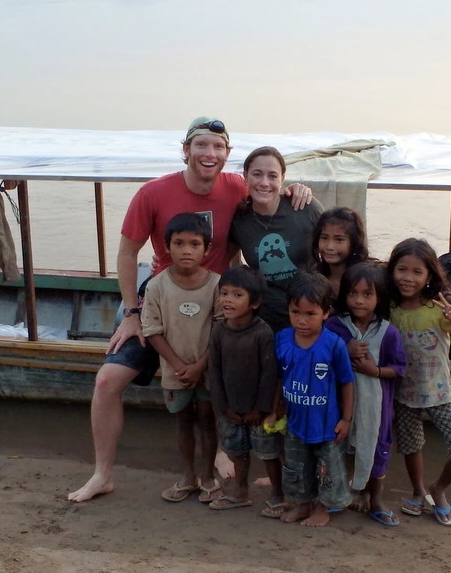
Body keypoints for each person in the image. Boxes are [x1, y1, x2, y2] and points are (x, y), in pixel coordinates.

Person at [68, 117, 311, 503]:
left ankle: (222, 452)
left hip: (219, 305)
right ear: (186, 150)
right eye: (201, 145)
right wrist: (131, 312)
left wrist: (298, 188)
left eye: (217, 147)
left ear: (227, 155)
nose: (209, 154)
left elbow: (269, 192)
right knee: (106, 382)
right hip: (160, 302)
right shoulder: (153, 193)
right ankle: (102, 474)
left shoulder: (236, 187)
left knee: (229, 376)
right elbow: (128, 254)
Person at [384, 238, 451, 526]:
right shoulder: (389, 307)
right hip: (403, 393)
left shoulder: (439, 307)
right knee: (411, 445)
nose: (408, 278)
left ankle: (437, 489)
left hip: (439, 393)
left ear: (430, 275)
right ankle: (417, 491)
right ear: (392, 271)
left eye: (417, 272)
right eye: (401, 269)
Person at [265, 272, 355, 527]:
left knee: (327, 470)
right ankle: (303, 505)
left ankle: (323, 508)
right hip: (295, 422)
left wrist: (346, 419)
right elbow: (280, 378)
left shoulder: (334, 344)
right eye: (296, 313)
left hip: (326, 425)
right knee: (297, 467)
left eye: (310, 314)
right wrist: (275, 411)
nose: (302, 321)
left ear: (326, 312)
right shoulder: (282, 339)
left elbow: (347, 382)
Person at [142, 213, 221, 503]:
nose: (186, 250)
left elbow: (222, 329)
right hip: (175, 374)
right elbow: (152, 330)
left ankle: (209, 477)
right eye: (179, 243)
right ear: (166, 247)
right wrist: (179, 366)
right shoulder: (157, 286)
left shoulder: (217, 285)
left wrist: (201, 365)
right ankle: (188, 476)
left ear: (207, 249)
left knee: (208, 420)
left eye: (195, 244)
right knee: (184, 422)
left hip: (209, 370)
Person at [325, 262, 407, 527]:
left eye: (367, 294)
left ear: (379, 297)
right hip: (340, 402)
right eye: (353, 293)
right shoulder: (335, 327)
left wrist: (375, 370)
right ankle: (340, 493)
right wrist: (343, 349)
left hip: (376, 406)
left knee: (377, 448)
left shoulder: (388, 332)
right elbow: (320, 353)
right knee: (339, 446)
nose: (359, 300)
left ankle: (376, 500)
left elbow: (400, 368)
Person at [207, 265, 284, 516]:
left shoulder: (262, 333)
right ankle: (241, 491)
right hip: (230, 409)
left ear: (255, 302)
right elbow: (214, 371)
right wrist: (223, 407)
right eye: (224, 293)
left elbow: (269, 375)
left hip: (257, 411)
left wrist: (260, 409)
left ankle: (278, 494)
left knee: (268, 452)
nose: (228, 299)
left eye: (237, 295)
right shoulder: (218, 331)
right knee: (237, 451)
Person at [229, 146, 324, 333]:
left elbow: (337, 246)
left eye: (272, 176)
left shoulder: (305, 207)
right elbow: (231, 263)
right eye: (257, 174)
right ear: (245, 176)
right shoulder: (240, 219)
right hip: (265, 318)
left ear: (282, 178)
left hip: (309, 312)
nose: (264, 183)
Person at [310, 206, 370, 299]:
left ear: (354, 243)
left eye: (339, 240)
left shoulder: (367, 277)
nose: (330, 247)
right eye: (324, 238)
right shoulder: (314, 278)